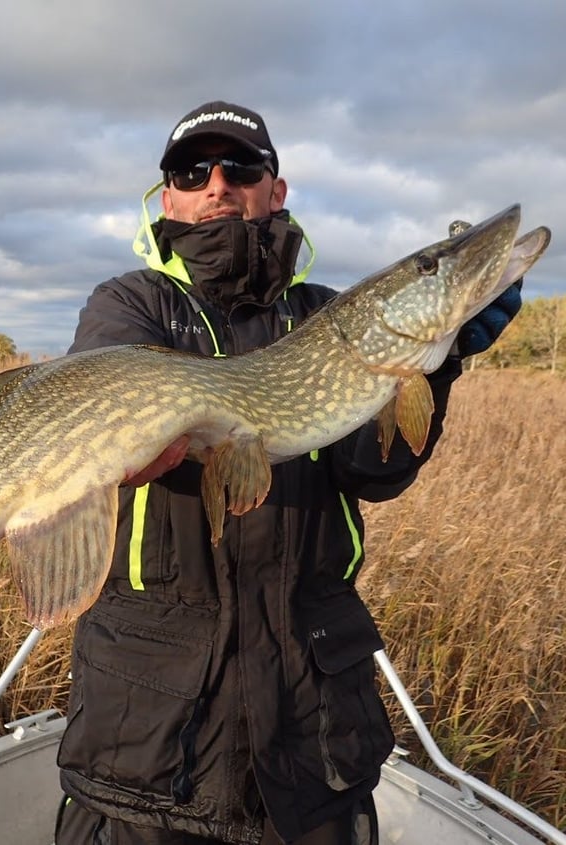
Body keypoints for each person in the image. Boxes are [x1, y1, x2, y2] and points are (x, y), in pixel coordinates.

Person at [54, 101, 522, 845]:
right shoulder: (130, 306)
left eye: (241, 167)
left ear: (276, 190)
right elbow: (109, 417)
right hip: (148, 744)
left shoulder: (324, 317)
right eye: (192, 169)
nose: (217, 184)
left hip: (311, 737)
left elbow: (375, 471)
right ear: (167, 195)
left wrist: (441, 364)